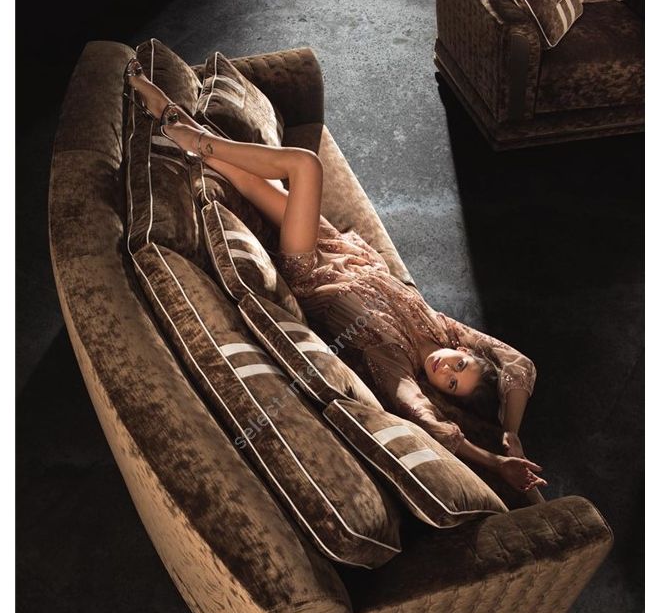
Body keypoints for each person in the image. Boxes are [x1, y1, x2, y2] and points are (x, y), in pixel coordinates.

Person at [125, 60, 547, 500]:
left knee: (304, 166)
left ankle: (190, 136)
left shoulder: (394, 364)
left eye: (451, 385)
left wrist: (494, 461)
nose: (447, 370)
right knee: (245, 177)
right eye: (460, 365)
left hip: (307, 266)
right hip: (335, 244)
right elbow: (519, 364)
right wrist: (512, 432)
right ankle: (168, 112)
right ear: (465, 351)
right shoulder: (444, 329)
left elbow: (425, 419)